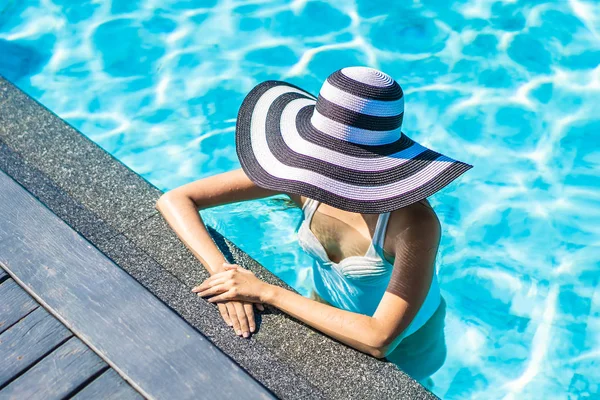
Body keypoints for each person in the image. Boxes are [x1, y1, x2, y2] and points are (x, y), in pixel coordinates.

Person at [155, 67, 471, 379]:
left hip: (410, 340)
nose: (324, 167)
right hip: (321, 308)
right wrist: (224, 274)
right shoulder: (305, 172)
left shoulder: (412, 224)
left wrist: (265, 292)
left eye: (335, 157)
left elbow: (380, 339)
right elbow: (176, 199)